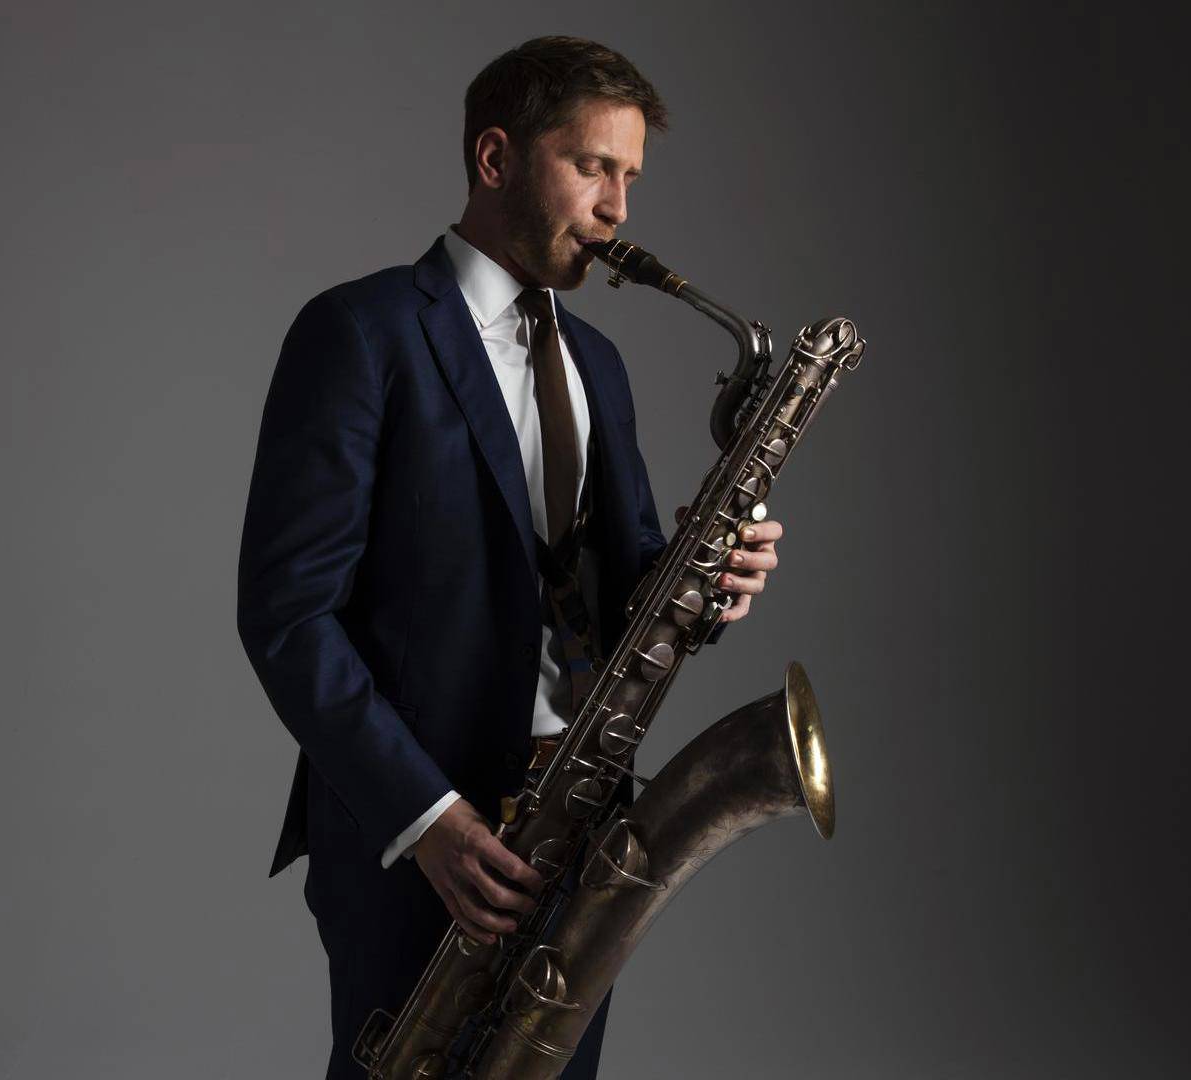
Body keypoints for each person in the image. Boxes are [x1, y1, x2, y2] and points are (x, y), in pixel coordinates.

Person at [238, 36, 785, 1079]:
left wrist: (706, 581)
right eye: (592, 167)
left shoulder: (599, 364)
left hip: (572, 827)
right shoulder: (361, 332)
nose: (618, 208)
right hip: (417, 839)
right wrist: (427, 820)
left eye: (631, 177)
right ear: (495, 160)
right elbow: (287, 615)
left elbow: (618, 590)